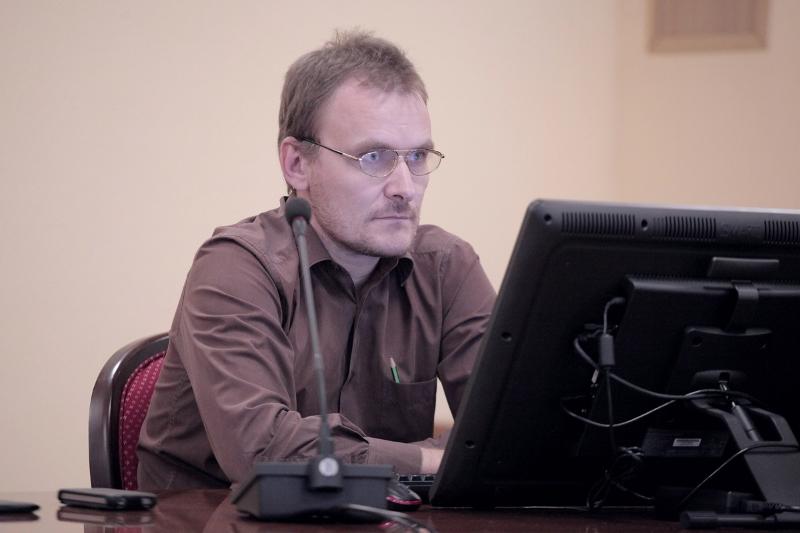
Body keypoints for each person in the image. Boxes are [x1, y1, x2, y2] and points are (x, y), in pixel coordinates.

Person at [137, 30, 496, 490]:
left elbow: (513, 428)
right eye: (374, 157)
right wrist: (434, 459)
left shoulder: (446, 267)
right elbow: (262, 451)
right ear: (297, 165)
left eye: (418, 156)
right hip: (213, 516)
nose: (405, 187)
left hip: (380, 516)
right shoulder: (235, 268)